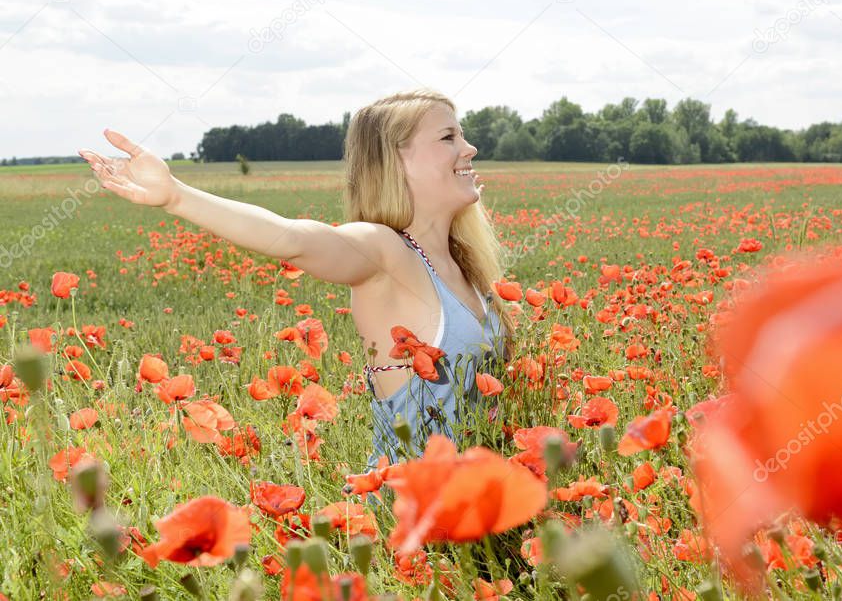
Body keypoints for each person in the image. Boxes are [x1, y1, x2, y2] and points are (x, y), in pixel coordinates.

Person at [78, 88, 516, 471]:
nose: (470, 148)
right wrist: (177, 195)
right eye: (448, 137)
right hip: (414, 528)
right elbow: (293, 238)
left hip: (483, 520)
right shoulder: (386, 251)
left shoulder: (467, 265)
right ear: (396, 159)